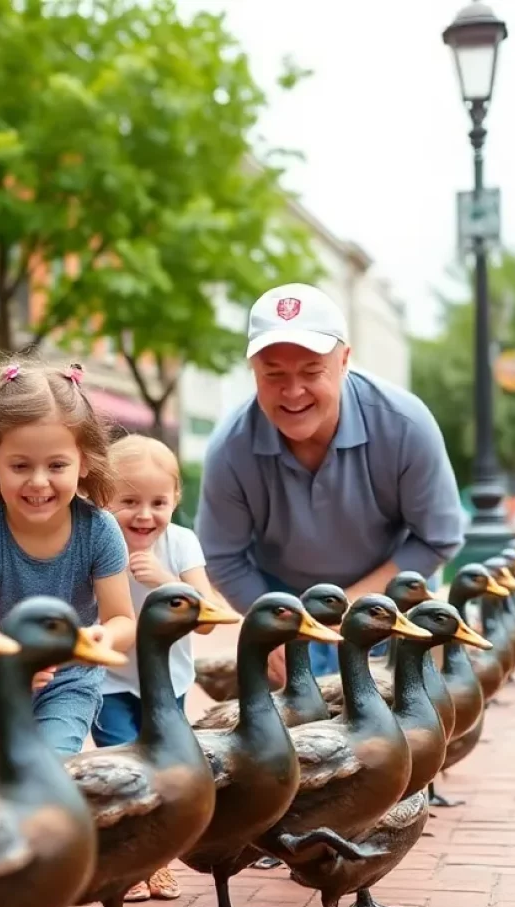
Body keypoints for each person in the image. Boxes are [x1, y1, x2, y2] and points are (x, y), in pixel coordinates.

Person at [0, 358, 137, 907]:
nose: (39, 482)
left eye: (56, 465)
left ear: (84, 462)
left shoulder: (98, 529)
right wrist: (9, 663)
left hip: (69, 681)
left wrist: (100, 638)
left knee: (49, 781)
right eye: (19, 465)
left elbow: (121, 617)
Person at [196, 282, 465, 681]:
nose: (292, 392)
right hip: (283, 595)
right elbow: (223, 557)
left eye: (311, 371)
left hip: (387, 597)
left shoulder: (406, 425)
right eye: (273, 375)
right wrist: (273, 624)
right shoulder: (229, 447)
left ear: (344, 361)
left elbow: (438, 537)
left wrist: (351, 609)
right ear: (253, 371)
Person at [98, 434, 225, 902]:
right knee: (120, 769)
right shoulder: (96, 539)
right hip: (108, 679)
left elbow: (210, 619)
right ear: (102, 498)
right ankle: (125, 863)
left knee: (164, 768)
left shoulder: (182, 543)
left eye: (158, 502)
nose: (144, 515)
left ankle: (157, 859)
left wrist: (167, 582)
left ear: (176, 500)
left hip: (166, 680)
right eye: (128, 501)